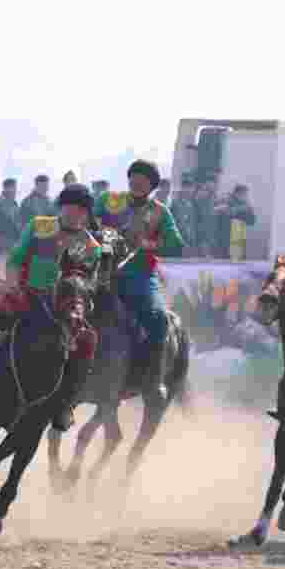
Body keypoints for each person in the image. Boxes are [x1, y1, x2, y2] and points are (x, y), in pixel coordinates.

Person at [0, 183, 101, 431]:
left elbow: (89, 284)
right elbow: (15, 259)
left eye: (80, 209)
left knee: (88, 340)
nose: (73, 212)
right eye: (69, 206)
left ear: (87, 214)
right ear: (61, 207)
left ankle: (65, 405)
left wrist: (75, 307)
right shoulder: (40, 226)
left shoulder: (91, 246)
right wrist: (14, 287)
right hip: (27, 294)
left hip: (64, 308)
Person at [94, 160, 185, 400]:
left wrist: (148, 244)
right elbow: (86, 223)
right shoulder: (107, 200)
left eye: (143, 180)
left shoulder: (159, 211)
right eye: (134, 177)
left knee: (158, 318)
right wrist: (102, 234)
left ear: (152, 186)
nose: (137, 182)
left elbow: (177, 245)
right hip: (101, 272)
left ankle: (153, 379)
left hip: (140, 277)